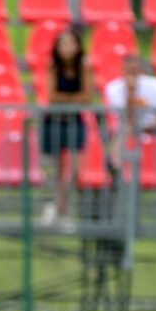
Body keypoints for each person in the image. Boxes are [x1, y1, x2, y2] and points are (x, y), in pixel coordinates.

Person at [41, 29, 93, 230]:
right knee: (57, 170)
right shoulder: (54, 68)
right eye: (63, 44)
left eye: (71, 43)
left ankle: (63, 209)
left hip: (75, 122)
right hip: (53, 123)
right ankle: (58, 209)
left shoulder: (84, 68)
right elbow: (52, 96)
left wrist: (67, 101)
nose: (67, 48)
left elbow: (87, 96)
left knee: (74, 170)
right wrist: (74, 100)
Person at [103, 54, 156, 177]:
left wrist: (151, 126)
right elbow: (125, 118)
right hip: (128, 127)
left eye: (135, 70)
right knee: (121, 134)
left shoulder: (155, 84)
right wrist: (130, 93)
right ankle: (116, 170)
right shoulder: (113, 88)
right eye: (129, 70)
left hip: (153, 126)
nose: (132, 74)